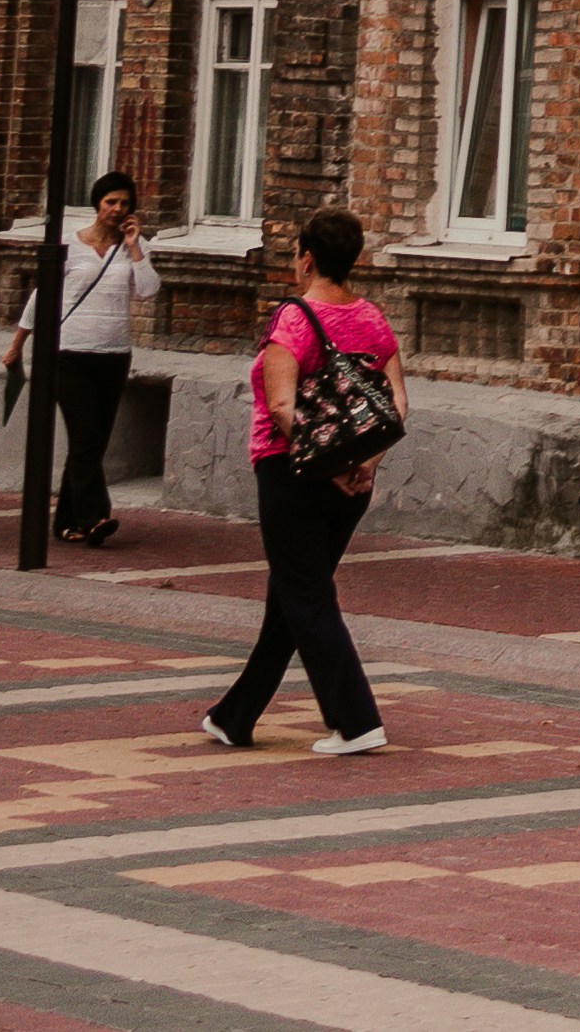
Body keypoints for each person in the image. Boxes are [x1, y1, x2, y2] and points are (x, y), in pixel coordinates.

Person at [202, 207, 399, 756]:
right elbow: (395, 407)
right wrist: (364, 465)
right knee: (290, 600)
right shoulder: (374, 321)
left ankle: (356, 720)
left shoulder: (292, 320)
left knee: (306, 596)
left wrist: (331, 466)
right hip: (352, 486)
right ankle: (234, 717)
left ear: (307, 259)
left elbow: (285, 408)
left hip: (291, 473)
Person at [0, 167, 156, 545]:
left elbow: (149, 290)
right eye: (110, 202)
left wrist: (135, 248)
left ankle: (66, 521)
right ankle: (95, 517)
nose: (118, 209)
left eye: (124, 203)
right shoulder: (71, 245)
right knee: (86, 436)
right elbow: (42, 296)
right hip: (68, 354)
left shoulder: (134, 246)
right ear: (97, 205)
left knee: (92, 443)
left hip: (114, 353)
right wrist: (18, 343)